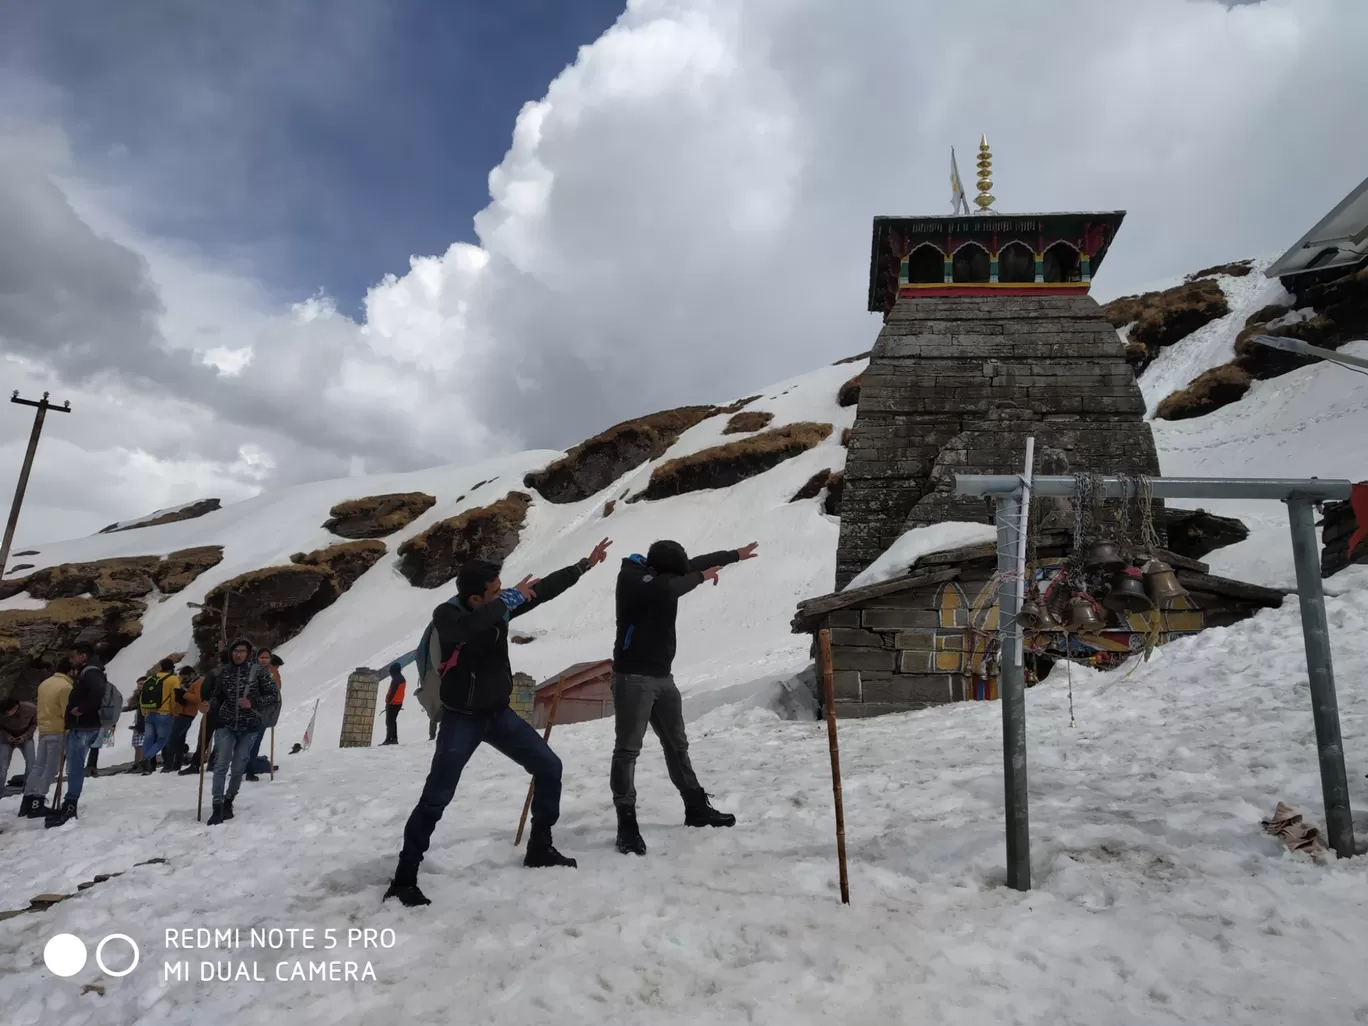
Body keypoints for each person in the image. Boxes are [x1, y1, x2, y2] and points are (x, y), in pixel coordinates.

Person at [385, 538, 613, 908]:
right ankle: (404, 877)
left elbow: (540, 591)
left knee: (549, 767)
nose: (504, 593)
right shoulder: (448, 616)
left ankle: (540, 846)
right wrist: (507, 602)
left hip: (498, 714)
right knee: (436, 796)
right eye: (496, 591)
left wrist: (583, 566)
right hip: (461, 720)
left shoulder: (497, 608)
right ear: (476, 599)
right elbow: (465, 630)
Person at [610, 539, 759, 856]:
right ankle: (626, 825)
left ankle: (696, 808)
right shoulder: (633, 577)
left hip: (664, 677)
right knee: (627, 750)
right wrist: (700, 578)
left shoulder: (666, 571)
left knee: (677, 744)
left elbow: (696, 561)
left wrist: (733, 554)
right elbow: (665, 589)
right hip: (633, 677)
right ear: (657, 568)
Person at [201, 637, 279, 825]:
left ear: (248, 653)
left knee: (237, 769)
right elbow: (217, 697)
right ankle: (217, 806)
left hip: (249, 727)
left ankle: (229, 800)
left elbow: (272, 695)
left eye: (243, 651)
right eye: (236, 651)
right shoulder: (224, 673)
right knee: (221, 765)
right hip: (225, 724)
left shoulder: (259, 672)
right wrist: (208, 705)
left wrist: (252, 703)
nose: (238, 654)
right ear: (231, 652)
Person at [46, 641, 109, 827]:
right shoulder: (92, 670)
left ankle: (70, 804)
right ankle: (69, 802)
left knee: (74, 767)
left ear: (83, 656)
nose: (71, 659)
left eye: (73, 656)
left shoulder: (90, 672)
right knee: (75, 765)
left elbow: (97, 692)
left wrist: (80, 709)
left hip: (83, 726)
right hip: (85, 725)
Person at [22, 659, 74, 817]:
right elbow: (67, 711)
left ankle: (28, 800)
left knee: (38, 767)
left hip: (44, 729)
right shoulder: (66, 686)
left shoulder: (44, 684)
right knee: (50, 769)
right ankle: (38, 800)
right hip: (57, 730)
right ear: (70, 672)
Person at [244, 648, 282, 781]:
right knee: (249, 742)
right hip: (251, 711)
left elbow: (275, 693)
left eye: (267, 657)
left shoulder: (271, 672)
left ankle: (248, 769)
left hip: (262, 713)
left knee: (253, 742)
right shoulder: (251, 671)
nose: (264, 660)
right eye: (262, 657)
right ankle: (246, 768)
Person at [136, 659, 180, 774]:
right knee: (162, 740)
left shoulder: (151, 679)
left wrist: (144, 712)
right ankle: (147, 758)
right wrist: (174, 712)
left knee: (148, 739)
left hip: (149, 713)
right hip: (164, 714)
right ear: (171, 668)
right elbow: (175, 697)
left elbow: (142, 698)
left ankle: (146, 767)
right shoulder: (173, 679)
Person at [163, 666, 203, 772]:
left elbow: (197, 698)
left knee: (172, 738)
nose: (184, 680)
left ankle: (168, 765)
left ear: (192, 674)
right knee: (180, 740)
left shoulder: (198, 683)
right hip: (181, 712)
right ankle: (176, 765)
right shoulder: (187, 683)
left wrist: (184, 694)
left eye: (185, 677)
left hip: (187, 714)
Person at [1, 694, 37, 806]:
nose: (8, 714)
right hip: (6, 738)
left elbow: (34, 724)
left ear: (16, 707)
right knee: (3, 766)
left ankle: (28, 789)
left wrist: (25, 736)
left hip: (25, 737)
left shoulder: (30, 709)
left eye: (9, 711)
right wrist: (6, 736)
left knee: (31, 762)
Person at [382, 663, 405, 745]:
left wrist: (388, 701)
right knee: (393, 721)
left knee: (389, 722)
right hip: (398, 703)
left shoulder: (396, 679)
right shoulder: (401, 678)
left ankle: (388, 739)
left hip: (392, 704)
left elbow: (392, 692)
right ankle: (394, 739)